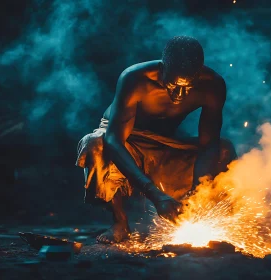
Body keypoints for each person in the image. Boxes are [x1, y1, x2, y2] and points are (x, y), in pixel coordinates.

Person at [76, 36, 237, 244]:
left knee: (224, 149)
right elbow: (114, 140)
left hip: (167, 144)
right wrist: (155, 194)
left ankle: (216, 219)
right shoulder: (134, 78)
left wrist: (199, 192)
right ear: (163, 69)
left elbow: (209, 144)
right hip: (128, 140)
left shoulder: (213, 85)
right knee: (95, 143)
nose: (179, 94)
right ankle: (120, 222)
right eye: (173, 84)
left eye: (188, 87)